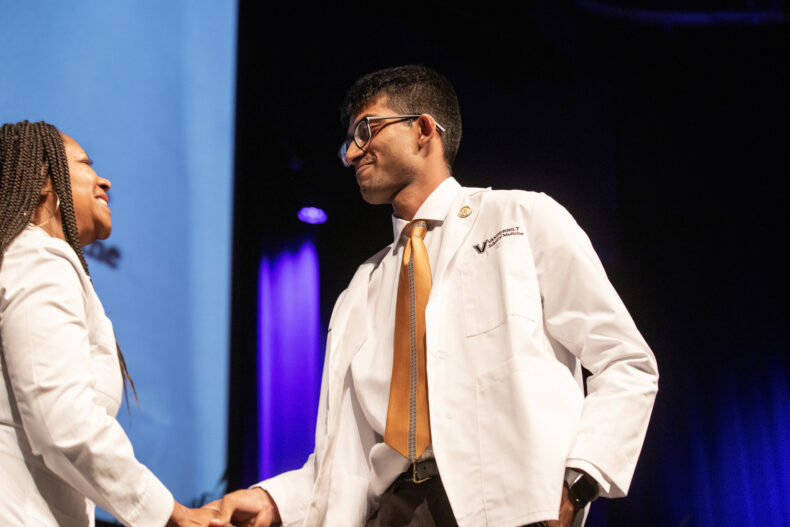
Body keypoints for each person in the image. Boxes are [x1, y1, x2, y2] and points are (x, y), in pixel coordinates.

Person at [209, 65, 659, 527]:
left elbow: (626, 362)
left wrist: (577, 484)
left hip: (512, 508)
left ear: (424, 129)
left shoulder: (523, 219)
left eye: (366, 130)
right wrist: (272, 500)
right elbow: (346, 459)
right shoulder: (360, 290)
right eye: (349, 140)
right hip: (395, 512)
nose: (351, 152)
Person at [0, 121, 218, 527]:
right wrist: (171, 514)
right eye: (85, 164)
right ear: (44, 181)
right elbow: (62, 421)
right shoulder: (38, 259)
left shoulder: (20, 257)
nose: (105, 181)